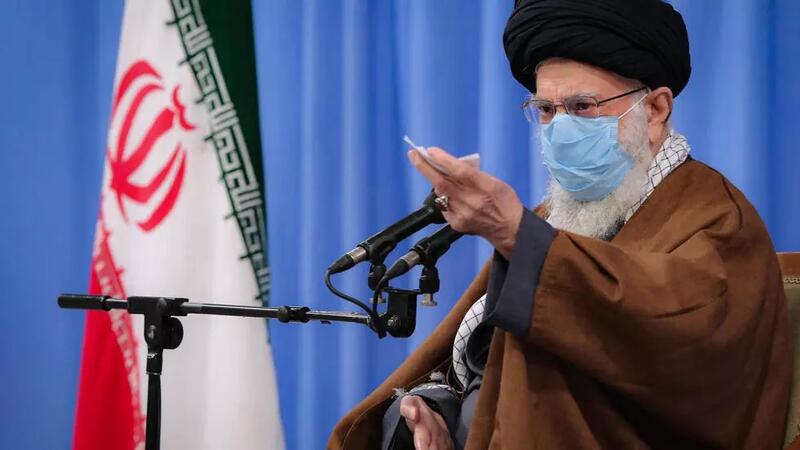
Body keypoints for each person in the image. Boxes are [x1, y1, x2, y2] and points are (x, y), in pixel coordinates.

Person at [328, 1, 791, 449]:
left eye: (583, 106)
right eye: (547, 110)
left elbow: (676, 350)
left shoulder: (717, 218)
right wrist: (436, 409)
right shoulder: (553, 215)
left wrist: (516, 234)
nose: (560, 129)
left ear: (655, 110)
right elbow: (487, 361)